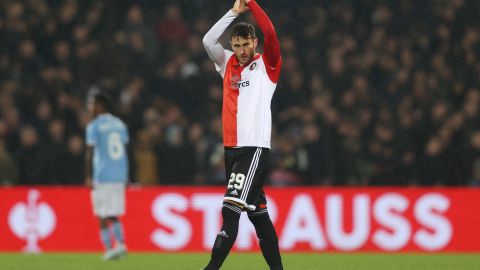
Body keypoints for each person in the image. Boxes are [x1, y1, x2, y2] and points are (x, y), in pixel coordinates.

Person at [202, 0, 283, 269]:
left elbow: (271, 33)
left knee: (230, 210)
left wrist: (251, 4)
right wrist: (233, 13)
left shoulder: (267, 67)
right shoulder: (226, 63)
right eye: (236, 46)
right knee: (259, 216)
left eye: (246, 45)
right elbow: (208, 41)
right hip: (232, 150)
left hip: (253, 149)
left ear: (255, 43)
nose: (241, 51)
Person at [85, 92, 129, 260]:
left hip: (102, 175)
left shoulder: (94, 126)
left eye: (92, 104)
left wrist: (88, 176)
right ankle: (121, 244)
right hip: (119, 175)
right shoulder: (120, 125)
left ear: (100, 106)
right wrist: (125, 176)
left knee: (102, 214)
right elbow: (124, 151)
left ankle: (110, 248)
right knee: (113, 213)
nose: (90, 108)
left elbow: (89, 152)